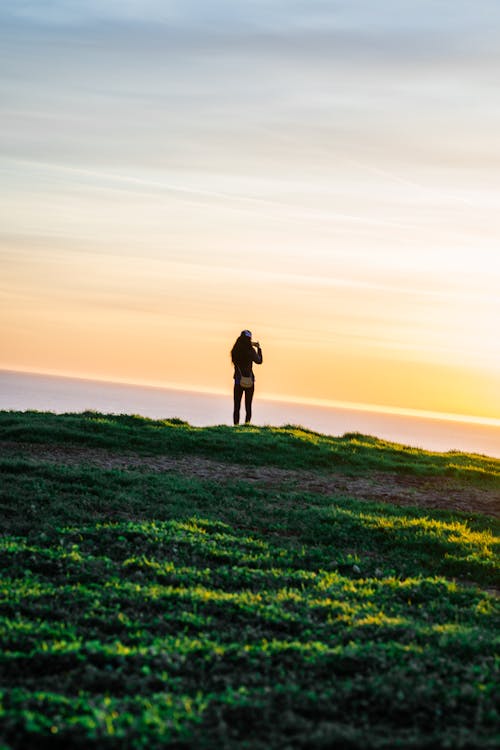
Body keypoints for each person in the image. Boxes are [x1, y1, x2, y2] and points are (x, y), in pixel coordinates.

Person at [230, 330, 263, 425]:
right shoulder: (250, 351)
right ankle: (246, 425)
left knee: (237, 406)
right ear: (249, 339)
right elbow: (259, 361)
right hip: (249, 381)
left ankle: (236, 425)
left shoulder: (235, 351)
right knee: (248, 406)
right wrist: (259, 348)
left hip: (238, 381)